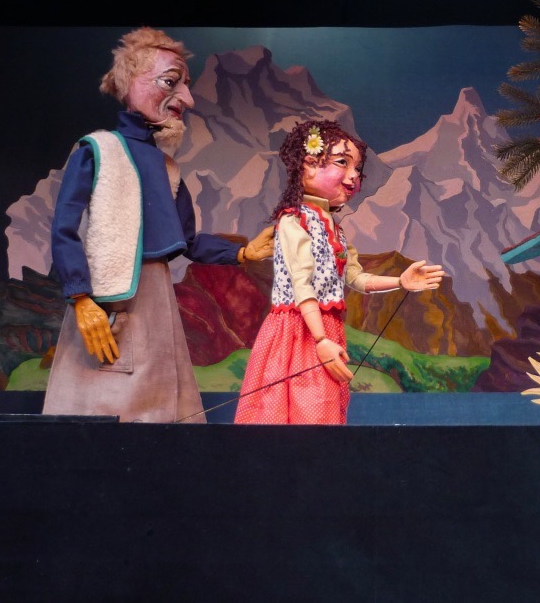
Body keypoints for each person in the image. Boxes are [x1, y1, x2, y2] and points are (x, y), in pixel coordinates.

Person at [43, 27, 275, 423]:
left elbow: (187, 240)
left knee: (163, 409)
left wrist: (241, 252)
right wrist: (81, 299)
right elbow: (64, 229)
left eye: (185, 86)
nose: (186, 98)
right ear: (130, 81)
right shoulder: (97, 150)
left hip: (157, 301)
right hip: (109, 301)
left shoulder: (168, 168)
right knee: (98, 406)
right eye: (170, 82)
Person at [234, 120, 446, 425]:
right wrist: (320, 339)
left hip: (325, 331)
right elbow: (301, 283)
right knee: (293, 412)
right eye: (342, 163)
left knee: (324, 409)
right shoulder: (295, 221)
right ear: (308, 165)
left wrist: (400, 281)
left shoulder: (334, 228)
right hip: (298, 332)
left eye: (357, 168)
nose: (353, 175)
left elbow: (356, 278)